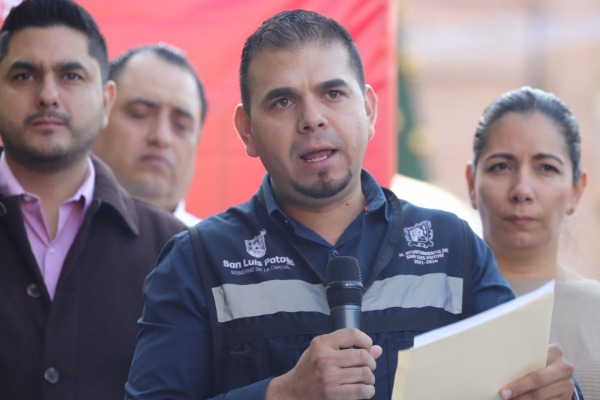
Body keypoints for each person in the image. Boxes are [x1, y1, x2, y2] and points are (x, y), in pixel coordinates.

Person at [125, 10, 578, 400]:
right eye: (282, 101)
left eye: (333, 93)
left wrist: (557, 390)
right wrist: (281, 393)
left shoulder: (452, 246)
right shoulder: (198, 260)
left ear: (370, 109)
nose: (312, 118)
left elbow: (522, 377)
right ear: (247, 130)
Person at [0, 1, 185, 399]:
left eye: (70, 75)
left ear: (106, 101)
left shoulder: (174, 249)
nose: (47, 95)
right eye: (24, 75)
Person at [466, 86, 599, 399]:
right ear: (472, 183)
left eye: (546, 168)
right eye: (501, 166)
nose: (522, 190)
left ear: (576, 190)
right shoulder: (429, 305)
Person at [93, 43, 207, 226]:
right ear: (99, 116)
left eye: (181, 125)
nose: (161, 137)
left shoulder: (217, 244)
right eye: (140, 114)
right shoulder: (54, 235)